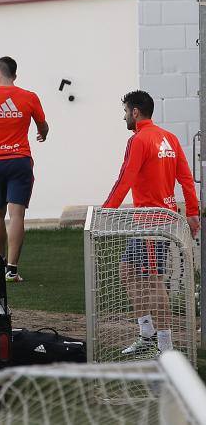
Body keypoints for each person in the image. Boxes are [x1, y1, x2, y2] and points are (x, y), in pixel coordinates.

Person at [102, 90, 200, 355]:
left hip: (151, 225)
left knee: (153, 281)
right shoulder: (169, 138)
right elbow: (186, 179)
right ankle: (147, 334)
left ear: (135, 112)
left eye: (125, 112)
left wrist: (105, 212)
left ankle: (165, 349)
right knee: (127, 270)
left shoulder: (139, 140)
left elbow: (125, 179)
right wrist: (192, 213)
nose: (124, 117)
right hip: (157, 222)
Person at [0, 56, 49, 282]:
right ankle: (12, 269)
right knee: (17, 214)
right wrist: (42, 134)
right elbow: (43, 125)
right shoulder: (29, 97)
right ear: (15, 75)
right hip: (20, 160)